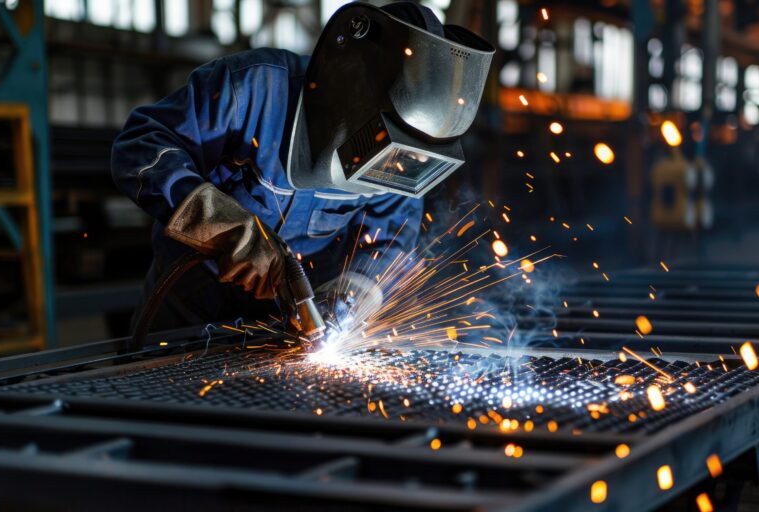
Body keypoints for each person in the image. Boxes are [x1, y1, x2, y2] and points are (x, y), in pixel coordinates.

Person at [111, 1, 494, 333]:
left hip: (287, 329)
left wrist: (355, 291)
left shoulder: (401, 155)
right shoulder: (251, 89)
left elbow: (390, 238)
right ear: (352, 91)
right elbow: (141, 146)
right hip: (186, 308)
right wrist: (221, 227)